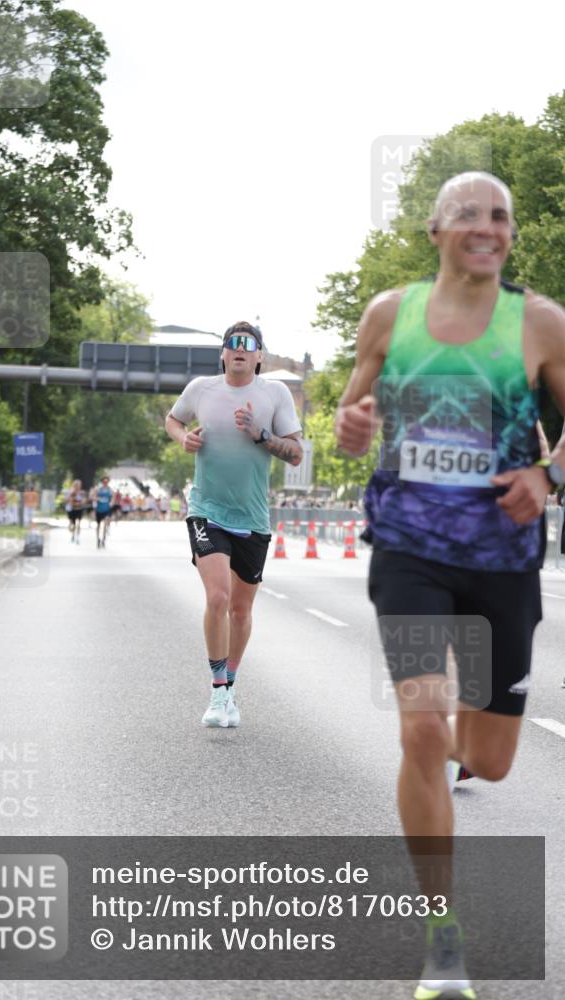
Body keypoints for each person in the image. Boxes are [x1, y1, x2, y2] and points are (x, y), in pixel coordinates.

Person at [334, 171, 565, 1000]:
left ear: (508, 237)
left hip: (502, 561)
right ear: (434, 231)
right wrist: (353, 423)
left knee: (492, 762)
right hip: (409, 553)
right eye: (468, 213)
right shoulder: (389, 316)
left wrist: (546, 474)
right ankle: (441, 936)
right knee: (421, 731)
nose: (486, 225)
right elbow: (349, 420)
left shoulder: (539, 324)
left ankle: (471, 748)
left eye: (500, 215)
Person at [165, 320, 303, 728]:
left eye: (249, 345)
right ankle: (217, 690)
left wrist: (261, 435)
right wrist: (183, 437)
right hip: (206, 509)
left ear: (259, 356)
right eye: (233, 344)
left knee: (241, 612)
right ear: (223, 353)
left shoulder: (274, 393)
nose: (240, 349)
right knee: (219, 598)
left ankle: (231, 684)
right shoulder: (201, 389)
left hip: (253, 517)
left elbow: (295, 453)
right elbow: (173, 420)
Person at [92, 475, 113, 548]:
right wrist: (97, 499)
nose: (105, 483)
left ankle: (104, 539)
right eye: (104, 481)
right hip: (99, 509)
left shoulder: (110, 489)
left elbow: (113, 497)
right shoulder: (98, 489)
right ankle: (98, 539)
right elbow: (93, 497)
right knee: (98, 525)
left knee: (105, 523)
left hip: (106, 509)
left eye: (107, 482)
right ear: (102, 482)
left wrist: (111, 503)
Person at [65, 479, 86, 543]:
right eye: (76, 485)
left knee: (79, 523)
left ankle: (77, 537)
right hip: (72, 509)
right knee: (73, 524)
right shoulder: (71, 492)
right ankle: (73, 535)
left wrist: (81, 503)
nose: (77, 487)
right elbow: (67, 500)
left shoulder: (82, 492)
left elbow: (84, 500)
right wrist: (73, 502)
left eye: (78, 485)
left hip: (79, 509)